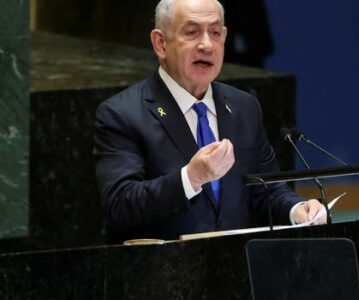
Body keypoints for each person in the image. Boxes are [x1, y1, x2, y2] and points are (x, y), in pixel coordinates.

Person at [94, 0, 326, 243]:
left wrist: (296, 209)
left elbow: (265, 189)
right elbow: (119, 206)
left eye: (215, 33)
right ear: (160, 43)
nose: (206, 44)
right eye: (192, 32)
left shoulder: (243, 107)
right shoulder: (122, 114)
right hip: (163, 274)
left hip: (235, 270)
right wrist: (191, 177)